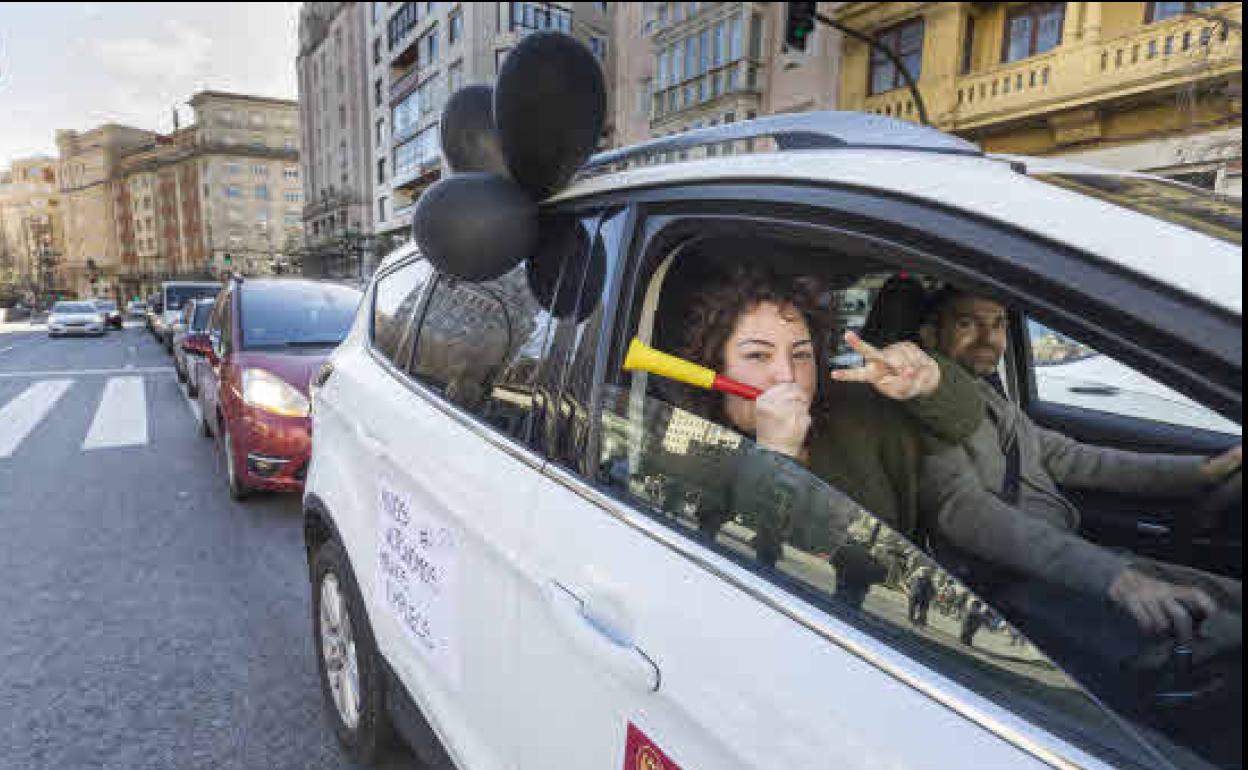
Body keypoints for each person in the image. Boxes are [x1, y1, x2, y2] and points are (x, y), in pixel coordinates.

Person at [918, 288, 1242, 644]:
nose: (987, 338)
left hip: (1067, 564)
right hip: (1016, 583)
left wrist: (1200, 472)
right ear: (931, 334)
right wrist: (1115, 578)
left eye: (996, 324)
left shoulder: (983, 391)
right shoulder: (923, 408)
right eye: (967, 323)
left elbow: (1071, 457)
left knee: (1228, 596)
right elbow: (965, 512)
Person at [670, 266, 984, 568]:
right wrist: (775, 459)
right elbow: (749, 564)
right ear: (717, 365)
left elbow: (965, 420)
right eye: (757, 355)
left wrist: (929, 382)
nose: (786, 375)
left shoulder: (855, 405)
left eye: (801, 354)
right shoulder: (690, 447)